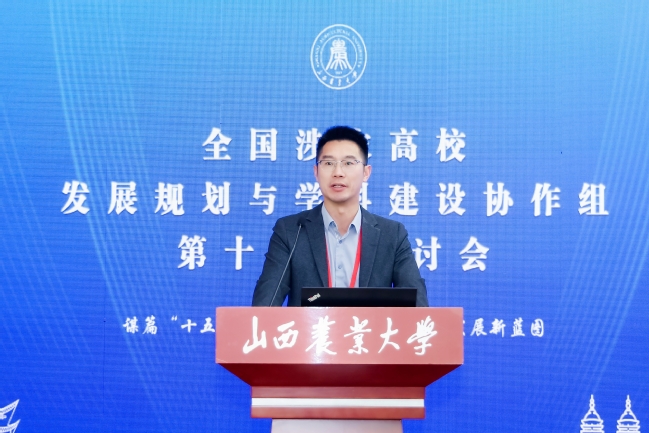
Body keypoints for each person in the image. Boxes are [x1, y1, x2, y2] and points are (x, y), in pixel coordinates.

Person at [252, 126, 428, 307]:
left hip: (368, 327)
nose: (338, 172)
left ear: (366, 172)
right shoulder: (291, 231)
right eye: (328, 163)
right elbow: (265, 304)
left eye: (348, 163)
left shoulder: (392, 234)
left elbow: (418, 305)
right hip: (311, 326)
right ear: (316, 172)